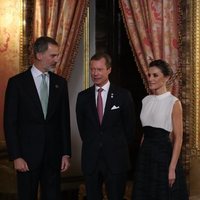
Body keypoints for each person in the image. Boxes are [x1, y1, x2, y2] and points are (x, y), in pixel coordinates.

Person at [4, 36, 71, 200]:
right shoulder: (17, 83)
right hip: (26, 157)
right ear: (39, 55)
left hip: (53, 156)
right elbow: (10, 123)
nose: (56, 59)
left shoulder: (60, 83)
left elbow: (64, 121)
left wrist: (65, 153)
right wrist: (16, 156)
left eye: (57, 55)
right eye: (53, 55)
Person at [76, 52, 136, 200]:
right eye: (92, 69)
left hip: (116, 160)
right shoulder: (83, 97)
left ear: (109, 70)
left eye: (99, 69)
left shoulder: (123, 95)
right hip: (91, 161)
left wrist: (114, 144)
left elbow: (130, 129)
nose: (95, 73)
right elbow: (83, 129)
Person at [132, 59, 188, 200]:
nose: (150, 79)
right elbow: (145, 133)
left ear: (166, 77)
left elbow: (178, 138)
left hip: (163, 157)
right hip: (145, 156)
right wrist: (141, 157)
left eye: (155, 75)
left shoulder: (174, 102)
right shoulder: (146, 101)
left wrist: (171, 168)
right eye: (149, 75)